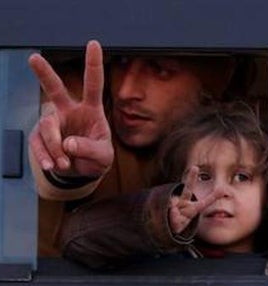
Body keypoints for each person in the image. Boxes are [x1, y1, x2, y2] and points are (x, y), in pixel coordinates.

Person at [26, 42, 242, 257]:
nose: (125, 91)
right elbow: (48, 120)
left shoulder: (235, 143)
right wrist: (66, 156)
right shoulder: (84, 105)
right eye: (121, 62)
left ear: (209, 89)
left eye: (160, 70)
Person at [56, 101, 268, 271]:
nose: (219, 191)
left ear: (267, 195)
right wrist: (159, 221)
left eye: (242, 177)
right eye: (203, 176)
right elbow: (76, 240)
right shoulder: (151, 259)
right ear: (176, 184)